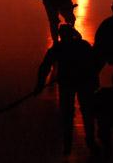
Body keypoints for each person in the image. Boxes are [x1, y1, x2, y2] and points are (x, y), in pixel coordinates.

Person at [34, 24, 101, 156]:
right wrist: (94, 82)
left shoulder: (58, 48)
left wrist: (40, 85)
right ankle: (90, 141)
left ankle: (67, 144)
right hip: (83, 82)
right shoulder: (83, 45)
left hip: (68, 83)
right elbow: (94, 64)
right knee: (87, 112)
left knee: (67, 114)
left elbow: (45, 67)